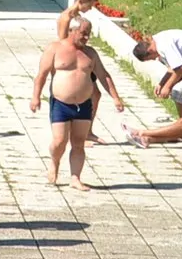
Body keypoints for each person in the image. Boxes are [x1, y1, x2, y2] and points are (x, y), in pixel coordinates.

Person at [30, 20, 125, 189]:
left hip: (83, 104)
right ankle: (55, 161)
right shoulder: (55, 49)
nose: (87, 37)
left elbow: (104, 76)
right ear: (72, 30)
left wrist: (116, 98)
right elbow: (42, 75)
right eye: (83, 33)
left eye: (89, 33)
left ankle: (75, 178)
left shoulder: (90, 54)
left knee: (78, 142)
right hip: (60, 103)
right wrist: (35, 97)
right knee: (59, 141)